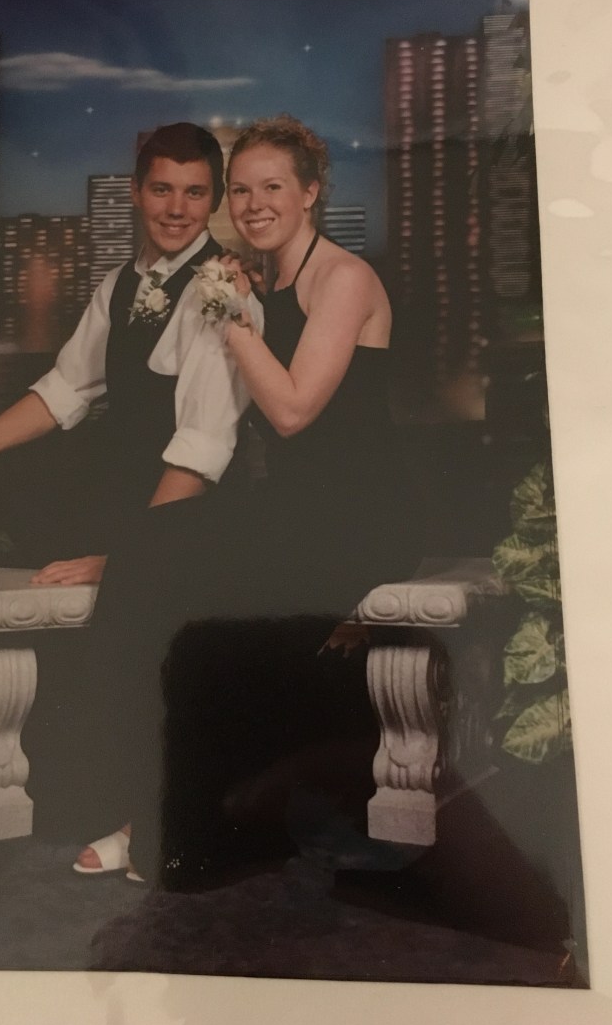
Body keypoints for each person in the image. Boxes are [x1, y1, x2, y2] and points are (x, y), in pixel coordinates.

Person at [74, 116, 423, 885]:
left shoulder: (344, 279)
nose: (255, 203)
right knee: (147, 552)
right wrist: (226, 298)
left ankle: (180, 828)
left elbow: (293, 411)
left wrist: (226, 312)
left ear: (310, 193)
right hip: (290, 507)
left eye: (273, 187)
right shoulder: (254, 282)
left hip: (360, 515)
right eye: (240, 190)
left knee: (208, 622)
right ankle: (142, 806)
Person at [0, 122, 259, 585]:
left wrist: (125, 561)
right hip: (125, 509)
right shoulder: (118, 283)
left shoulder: (227, 294)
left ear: (214, 200)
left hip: (189, 530)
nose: (177, 210)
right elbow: (64, 391)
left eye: (194, 193)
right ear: (135, 192)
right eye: (161, 189)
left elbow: (203, 449)